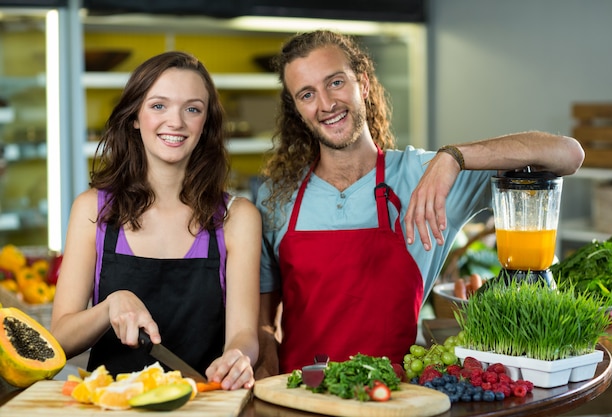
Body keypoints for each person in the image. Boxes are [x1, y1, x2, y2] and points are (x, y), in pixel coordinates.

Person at [253, 30, 585, 376]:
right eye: (307, 94)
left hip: (395, 397)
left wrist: (453, 157)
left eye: (335, 82)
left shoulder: (424, 177)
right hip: (301, 396)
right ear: (297, 110)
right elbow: (263, 322)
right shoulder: (276, 196)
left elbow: (567, 155)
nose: (326, 104)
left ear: (362, 84)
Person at [51, 51, 260, 390]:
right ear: (134, 116)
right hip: (111, 409)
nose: (175, 122)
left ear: (205, 124)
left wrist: (238, 357)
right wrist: (109, 307)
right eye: (158, 106)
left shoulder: (237, 218)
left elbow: (244, 333)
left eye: (192, 109)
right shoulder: (93, 210)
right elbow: (59, 340)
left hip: (203, 405)